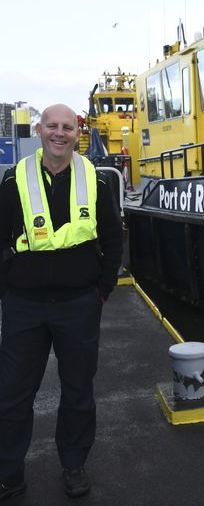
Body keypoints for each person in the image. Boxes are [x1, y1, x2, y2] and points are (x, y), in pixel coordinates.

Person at [0, 104, 123, 500]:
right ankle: (8, 474)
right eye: (52, 126)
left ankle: (73, 465)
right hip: (24, 306)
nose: (59, 133)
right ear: (38, 131)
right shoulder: (13, 180)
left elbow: (113, 237)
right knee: (13, 394)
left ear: (77, 133)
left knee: (77, 392)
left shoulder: (95, 180)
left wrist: (102, 290)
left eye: (67, 127)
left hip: (78, 304)